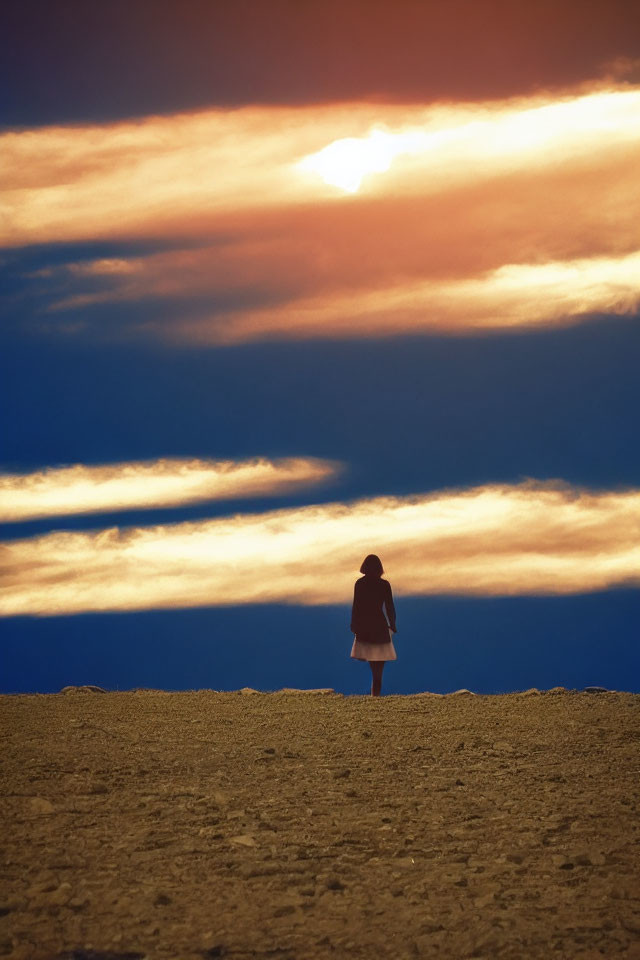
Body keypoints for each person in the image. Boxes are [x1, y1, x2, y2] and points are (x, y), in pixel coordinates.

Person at [350, 554, 397, 696]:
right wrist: (393, 625)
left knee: (374, 667)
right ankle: (375, 695)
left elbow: (356, 607)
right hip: (380, 627)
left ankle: (374, 696)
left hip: (366, 628)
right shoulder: (384, 585)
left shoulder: (360, 584)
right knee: (378, 671)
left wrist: (354, 625)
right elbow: (390, 607)